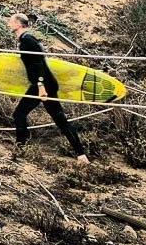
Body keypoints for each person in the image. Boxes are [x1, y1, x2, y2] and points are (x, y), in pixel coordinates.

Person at [9, 13, 89, 164]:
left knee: (21, 114)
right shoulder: (26, 40)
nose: (9, 24)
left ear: (18, 24)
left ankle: (20, 149)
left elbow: (39, 65)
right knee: (56, 119)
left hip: (44, 85)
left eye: (11, 21)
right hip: (43, 84)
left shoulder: (28, 41)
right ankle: (80, 154)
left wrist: (40, 86)